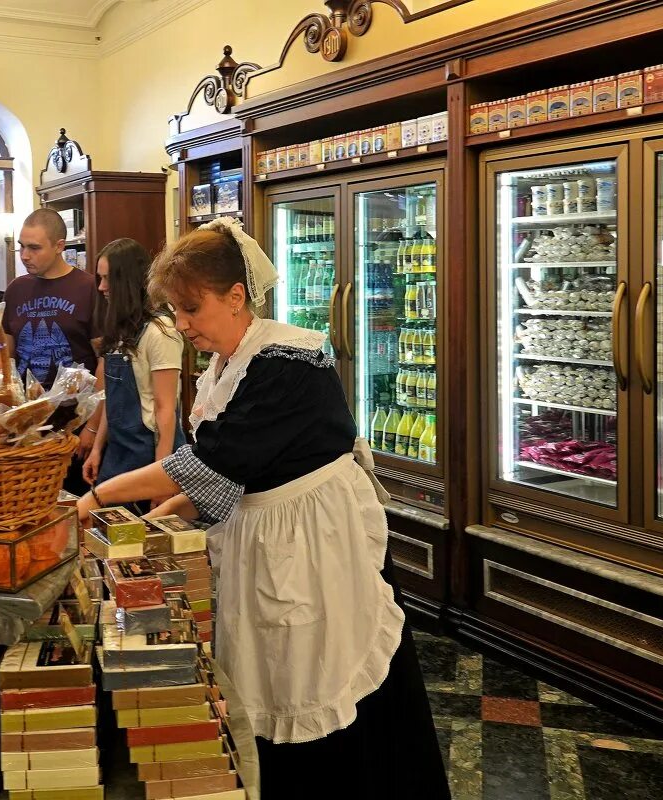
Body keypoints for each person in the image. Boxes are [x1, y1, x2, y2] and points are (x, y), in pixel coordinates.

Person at [75, 218, 446, 799]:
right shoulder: (225, 368)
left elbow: (207, 464)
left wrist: (96, 498)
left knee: (320, 669)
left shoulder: (286, 360)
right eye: (175, 312)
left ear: (236, 295)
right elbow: (219, 482)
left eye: (192, 309)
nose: (185, 325)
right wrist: (152, 524)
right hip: (271, 535)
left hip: (316, 542)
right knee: (274, 666)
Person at [82, 238, 186, 502]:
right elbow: (111, 401)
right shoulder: (120, 332)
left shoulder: (161, 332)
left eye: (108, 280)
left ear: (127, 281)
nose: (102, 287)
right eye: (99, 278)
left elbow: (165, 410)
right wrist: (97, 449)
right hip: (118, 454)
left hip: (149, 454)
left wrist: (160, 478)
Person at [3, 208, 100, 487]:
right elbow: (7, 357)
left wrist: (93, 428)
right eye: (22, 246)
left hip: (74, 421)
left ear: (60, 246)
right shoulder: (16, 289)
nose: (24, 255)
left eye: (34, 248)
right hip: (26, 421)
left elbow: (104, 361)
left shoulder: (89, 287)